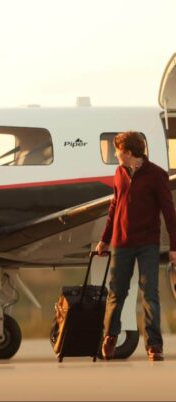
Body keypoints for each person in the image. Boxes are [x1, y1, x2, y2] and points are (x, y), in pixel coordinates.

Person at [96, 131, 176, 362]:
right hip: (121, 243)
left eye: (118, 150)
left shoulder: (157, 175)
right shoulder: (119, 173)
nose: (116, 154)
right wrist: (104, 238)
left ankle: (154, 346)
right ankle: (110, 336)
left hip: (147, 244)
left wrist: (174, 246)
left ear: (129, 152)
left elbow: (169, 213)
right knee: (117, 293)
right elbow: (114, 208)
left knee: (149, 293)